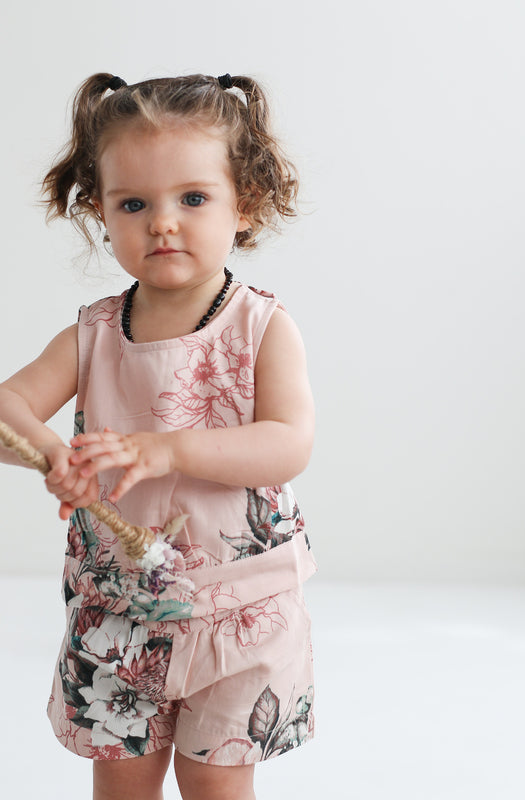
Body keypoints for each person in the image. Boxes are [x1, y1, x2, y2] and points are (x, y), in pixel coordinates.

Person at [0, 72, 316, 800]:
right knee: (123, 785)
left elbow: (287, 443)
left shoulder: (262, 329)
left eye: (193, 198)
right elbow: (9, 403)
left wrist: (168, 447)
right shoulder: (92, 335)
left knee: (214, 782)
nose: (161, 223)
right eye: (133, 204)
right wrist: (52, 456)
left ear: (247, 204)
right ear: (100, 214)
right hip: (119, 611)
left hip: (238, 610)